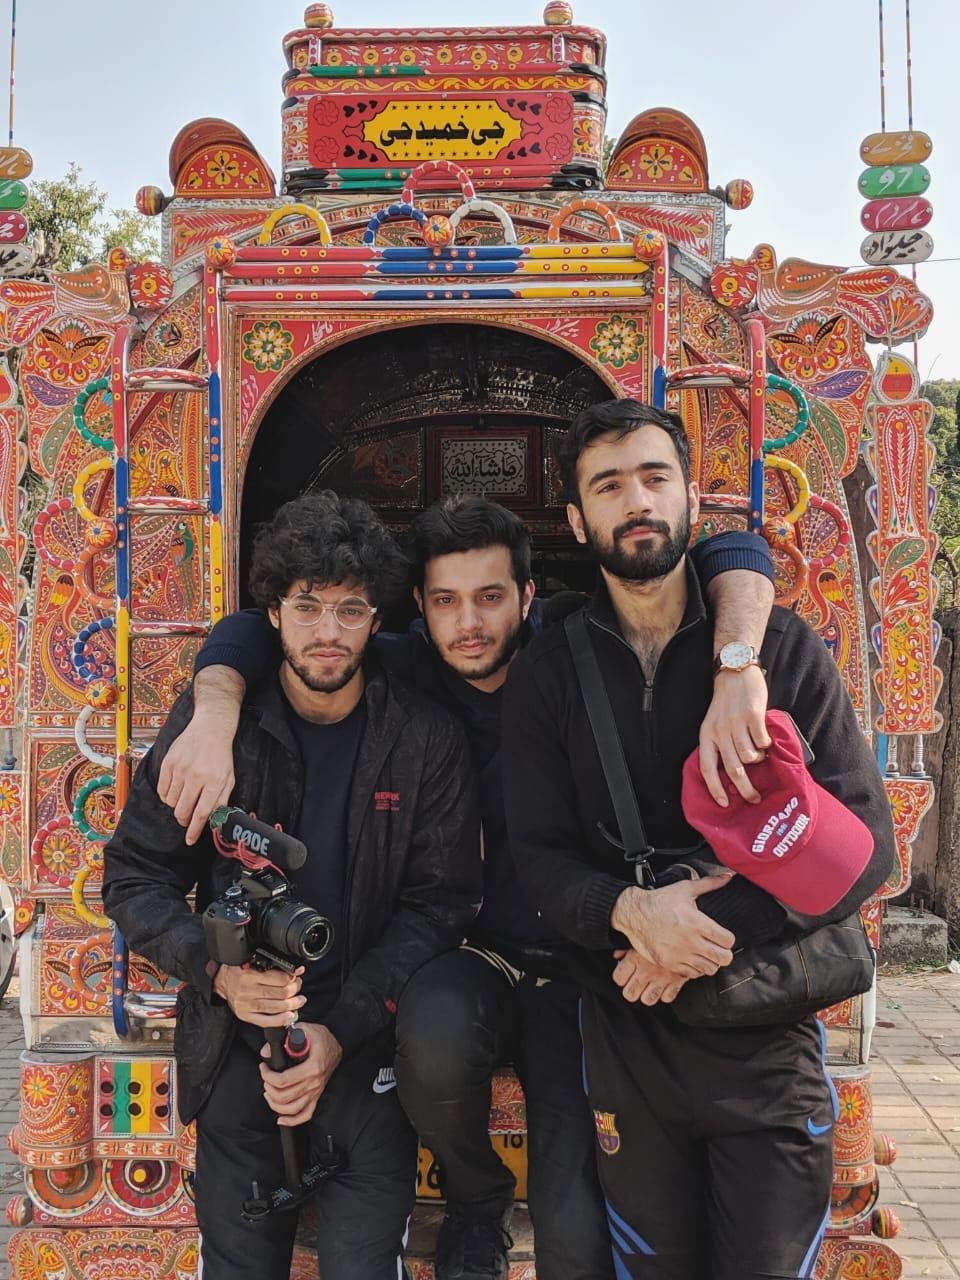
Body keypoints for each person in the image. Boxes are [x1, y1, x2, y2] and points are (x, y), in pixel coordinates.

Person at [157, 485, 776, 1280]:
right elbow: (261, 624)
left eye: (490, 598)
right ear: (416, 609)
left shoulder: (577, 647)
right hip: (470, 952)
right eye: (446, 601)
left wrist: (738, 666)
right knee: (435, 1038)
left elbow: (733, 553)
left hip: (586, 955)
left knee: (573, 1221)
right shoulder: (395, 664)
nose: (470, 622)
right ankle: (476, 1201)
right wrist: (213, 711)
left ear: (528, 597)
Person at [500, 400, 895, 1280]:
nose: (635, 500)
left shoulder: (778, 652)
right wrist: (634, 912)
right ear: (576, 519)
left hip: (765, 1036)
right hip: (627, 1038)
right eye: (608, 485)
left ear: (688, 499)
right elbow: (540, 857)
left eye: (654, 477)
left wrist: (700, 937)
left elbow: (867, 848)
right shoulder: (549, 671)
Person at [102, 492, 482, 1280]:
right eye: (307, 606)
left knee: (362, 1266)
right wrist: (220, 975)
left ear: (378, 620)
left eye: (350, 610)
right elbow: (136, 877)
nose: (328, 633)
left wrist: (339, 1032)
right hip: (233, 1049)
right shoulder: (216, 729)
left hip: (364, 1050)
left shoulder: (423, 738)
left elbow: (438, 905)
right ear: (272, 612)